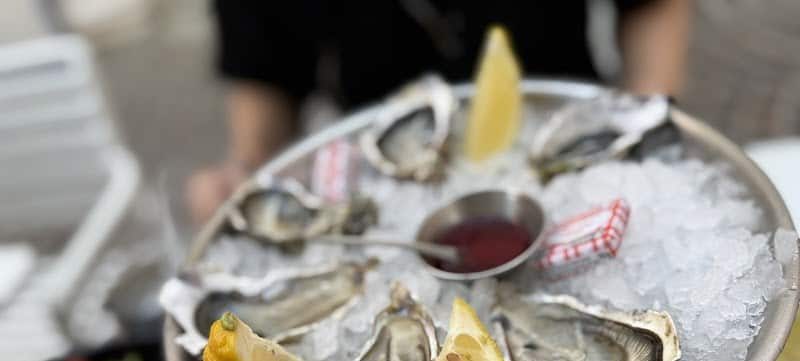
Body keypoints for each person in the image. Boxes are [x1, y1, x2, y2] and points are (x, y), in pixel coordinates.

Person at [189, 0, 690, 220]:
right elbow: (265, 70)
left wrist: (643, 118)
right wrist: (248, 171)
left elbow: (648, 3)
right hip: (387, 187)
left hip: (568, 144)